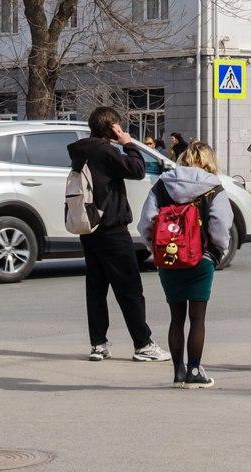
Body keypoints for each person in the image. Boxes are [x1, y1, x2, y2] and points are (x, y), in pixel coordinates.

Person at [68, 106, 165, 363]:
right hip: (112, 228)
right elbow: (137, 170)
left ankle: (98, 344)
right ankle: (143, 344)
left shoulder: (82, 151)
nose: (121, 130)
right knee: (130, 287)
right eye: (118, 126)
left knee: (97, 288)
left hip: (90, 228)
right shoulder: (105, 150)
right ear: (111, 127)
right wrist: (129, 143)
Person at [137, 140, 234, 389]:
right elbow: (221, 224)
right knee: (197, 318)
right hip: (201, 258)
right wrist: (217, 251)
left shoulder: (162, 185)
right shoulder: (214, 187)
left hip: (169, 259)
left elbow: (146, 222)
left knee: (176, 318)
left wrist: (155, 248)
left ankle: (178, 372)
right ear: (209, 161)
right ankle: (194, 371)